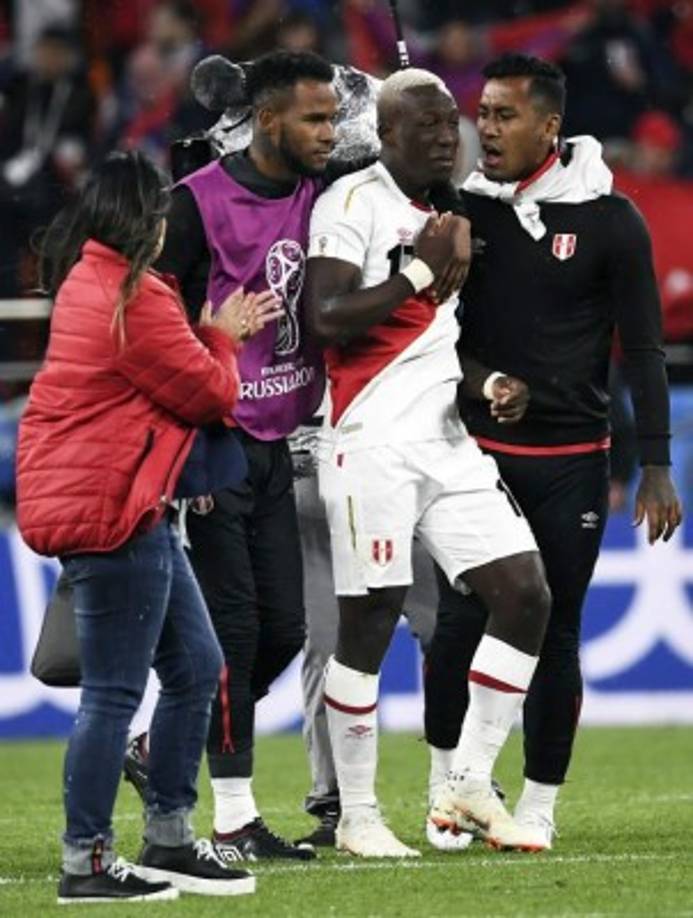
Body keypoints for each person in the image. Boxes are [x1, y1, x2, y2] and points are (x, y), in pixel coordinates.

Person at [423, 53, 683, 851]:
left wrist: (655, 464)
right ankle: (448, 790)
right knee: (457, 624)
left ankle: (537, 804)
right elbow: (431, 335)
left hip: (571, 461)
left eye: (504, 115)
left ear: (549, 126)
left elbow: (644, 350)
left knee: (556, 631)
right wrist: (481, 383)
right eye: (482, 113)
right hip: (473, 455)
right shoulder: (462, 209)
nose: (487, 130)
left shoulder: (610, 218)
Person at [15, 150, 282, 904]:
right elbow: (211, 394)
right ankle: (86, 862)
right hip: (116, 508)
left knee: (196, 667)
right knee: (112, 694)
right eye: (161, 214)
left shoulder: (93, 280)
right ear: (145, 221)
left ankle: (167, 838)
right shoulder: (132, 297)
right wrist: (222, 335)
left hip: (125, 501)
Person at [305, 67, 553, 858]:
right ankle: (357, 815)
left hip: (445, 440)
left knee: (524, 594)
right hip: (369, 441)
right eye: (427, 125)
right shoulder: (351, 203)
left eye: (452, 123)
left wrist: (489, 383)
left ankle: (467, 783)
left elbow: (430, 338)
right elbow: (324, 318)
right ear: (385, 135)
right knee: (369, 621)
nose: (448, 137)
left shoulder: (447, 213)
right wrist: (417, 268)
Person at [148, 49, 340, 862]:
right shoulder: (192, 206)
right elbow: (144, 324)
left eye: (332, 118)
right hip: (213, 444)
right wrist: (209, 337)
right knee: (232, 628)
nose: (329, 133)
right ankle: (232, 816)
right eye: (313, 119)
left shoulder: (325, 195)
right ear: (266, 121)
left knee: (285, 627)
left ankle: (161, 738)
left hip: (283, 441)